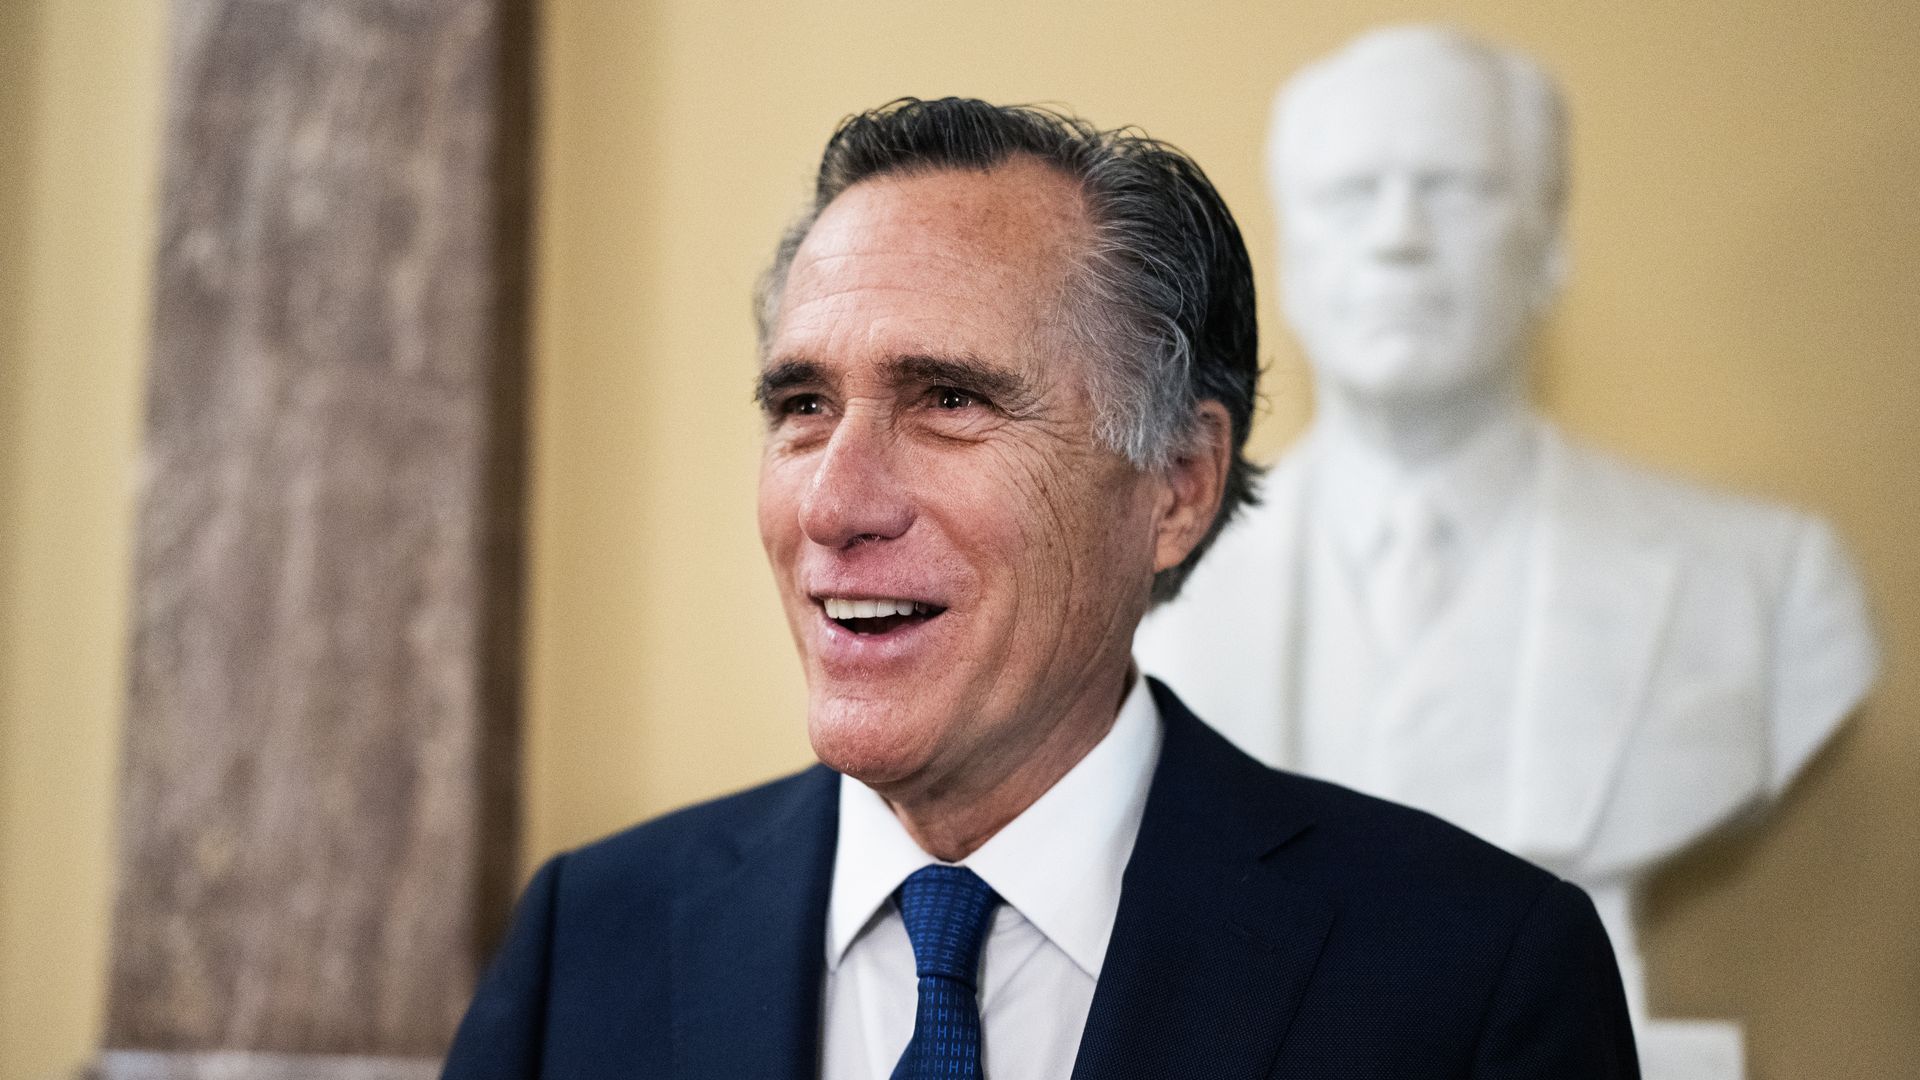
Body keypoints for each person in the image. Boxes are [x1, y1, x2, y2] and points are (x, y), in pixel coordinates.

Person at [442, 96, 1638, 1079]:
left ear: (1177, 485)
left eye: (949, 400)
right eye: (803, 406)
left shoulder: (1471, 973)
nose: (834, 504)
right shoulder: (587, 939)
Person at [1134, 26, 1877, 1075]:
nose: (1398, 237)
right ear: (1289, 256)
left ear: (1550, 242)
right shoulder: (1145, 580)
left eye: (1454, 188)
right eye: (1350, 194)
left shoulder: (1773, 586)